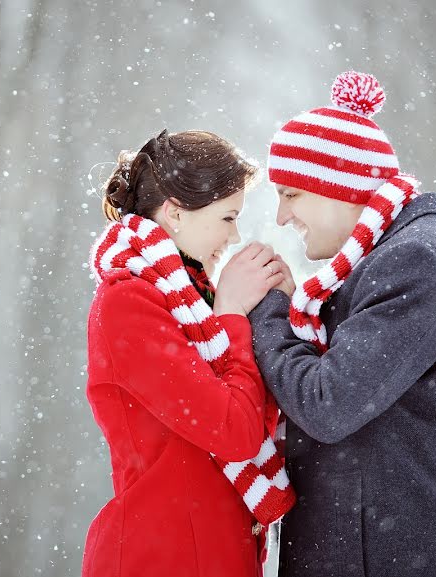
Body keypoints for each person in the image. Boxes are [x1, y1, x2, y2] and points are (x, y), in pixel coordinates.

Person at [225, 72, 436, 576]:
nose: (281, 217)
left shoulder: (414, 262)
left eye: (291, 194)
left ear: (340, 188)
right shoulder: (383, 264)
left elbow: (327, 404)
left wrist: (265, 313)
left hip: (400, 560)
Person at [83, 129, 296, 577]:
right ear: (175, 212)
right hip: (163, 556)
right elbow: (235, 431)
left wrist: (277, 316)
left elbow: (253, 411)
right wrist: (234, 314)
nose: (235, 235)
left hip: (209, 553)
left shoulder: (194, 302)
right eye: (226, 218)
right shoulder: (129, 302)